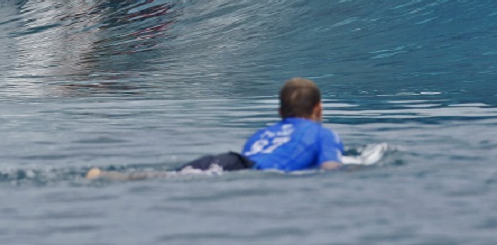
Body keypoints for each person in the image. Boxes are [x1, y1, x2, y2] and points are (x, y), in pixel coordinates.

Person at [85, 78, 343, 180]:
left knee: (168, 176)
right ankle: (107, 177)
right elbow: (330, 169)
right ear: (318, 108)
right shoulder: (324, 135)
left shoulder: (263, 134)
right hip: (243, 171)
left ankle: (105, 175)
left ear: (280, 112)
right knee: (170, 179)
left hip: (228, 160)